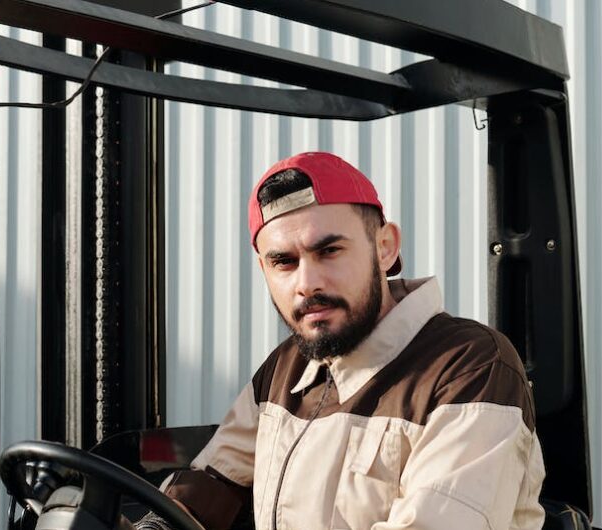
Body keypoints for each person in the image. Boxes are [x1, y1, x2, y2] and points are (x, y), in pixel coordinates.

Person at [138, 152, 545, 530]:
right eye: (284, 262)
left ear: (384, 248)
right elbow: (216, 482)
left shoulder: (469, 368)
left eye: (329, 250)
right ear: (264, 269)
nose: (307, 283)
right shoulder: (287, 367)